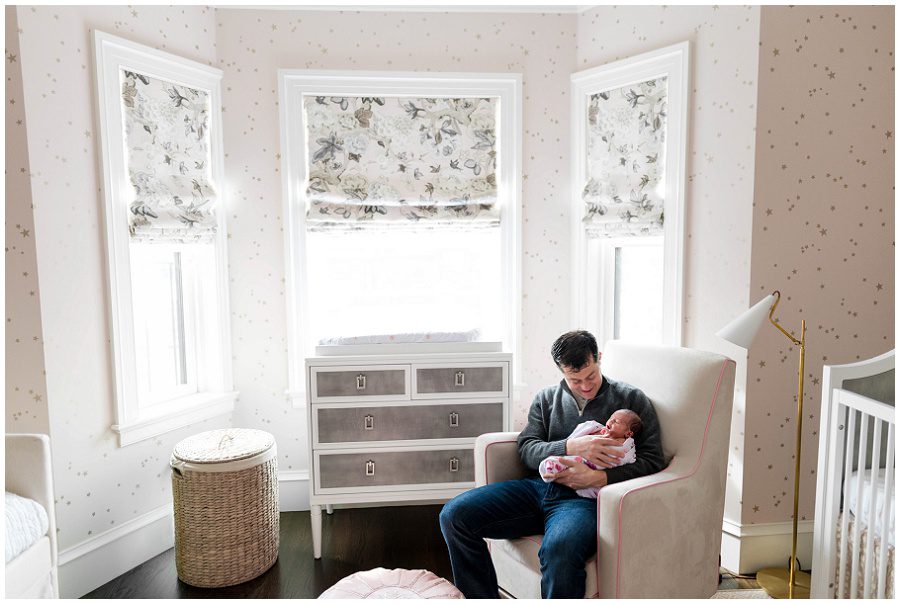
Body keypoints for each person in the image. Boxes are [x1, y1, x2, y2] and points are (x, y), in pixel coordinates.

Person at [439, 330, 666, 598]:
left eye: (590, 376)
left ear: (599, 359)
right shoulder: (546, 399)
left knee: (560, 550)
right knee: (454, 516)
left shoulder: (630, 400)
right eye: (574, 380)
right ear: (561, 371)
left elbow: (653, 460)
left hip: (583, 503)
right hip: (538, 489)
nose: (584, 385)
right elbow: (526, 449)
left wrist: (602, 479)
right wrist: (569, 446)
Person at [539, 408, 641, 498]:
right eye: (611, 418)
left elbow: (628, 460)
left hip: (594, 468)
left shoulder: (625, 445)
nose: (610, 421)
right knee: (565, 460)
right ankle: (552, 467)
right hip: (579, 458)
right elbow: (577, 439)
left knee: (574, 462)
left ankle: (556, 467)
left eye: (616, 422)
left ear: (628, 433)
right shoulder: (598, 430)